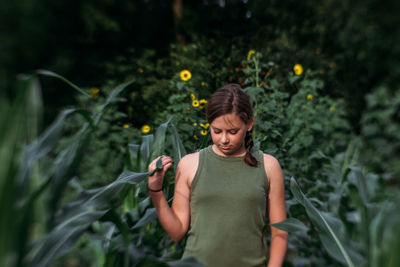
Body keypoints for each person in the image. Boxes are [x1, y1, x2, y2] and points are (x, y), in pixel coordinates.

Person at [147, 84, 288, 267]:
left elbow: (280, 233)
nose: (224, 140)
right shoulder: (190, 165)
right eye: (216, 131)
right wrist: (155, 190)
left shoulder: (268, 166)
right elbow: (177, 232)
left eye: (233, 131)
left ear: (249, 124)